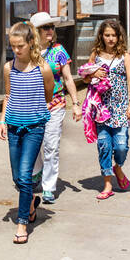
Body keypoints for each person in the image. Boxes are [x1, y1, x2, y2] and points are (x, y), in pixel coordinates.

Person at [0, 22, 55, 244]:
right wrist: (2, 120)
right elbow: (8, 96)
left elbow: (48, 95)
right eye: (12, 46)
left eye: (20, 46)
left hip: (34, 127)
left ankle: (22, 223)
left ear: (31, 42)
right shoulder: (8, 67)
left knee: (24, 175)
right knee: (17, 177)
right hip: (13, 126)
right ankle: (30, 204)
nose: (16, 50)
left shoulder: (43, 69)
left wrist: (33, 110)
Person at [79, 19, 130, 200]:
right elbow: (85, 78)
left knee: (121, 146)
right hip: (101, 108)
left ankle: (117, 168)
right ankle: (107, 184)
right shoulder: (95, 54)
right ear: (102, 36)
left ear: (119, 37)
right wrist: (92, 74)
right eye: (107, 35)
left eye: (114, 35)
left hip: (120, 107)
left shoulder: (125, 56)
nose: (110, 39)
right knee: (104, 145)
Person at [29, 12, 81, 204]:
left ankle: (49, 186)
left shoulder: (59, 51)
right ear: (36, 31)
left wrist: (76, 104)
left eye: (52, 27)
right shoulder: (28, 51)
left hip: (55, 105)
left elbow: (68, 78)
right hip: (32, 105)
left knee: (51, 146)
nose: (50, 30)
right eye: (46, 27)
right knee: (33, 144)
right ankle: (37, 171)